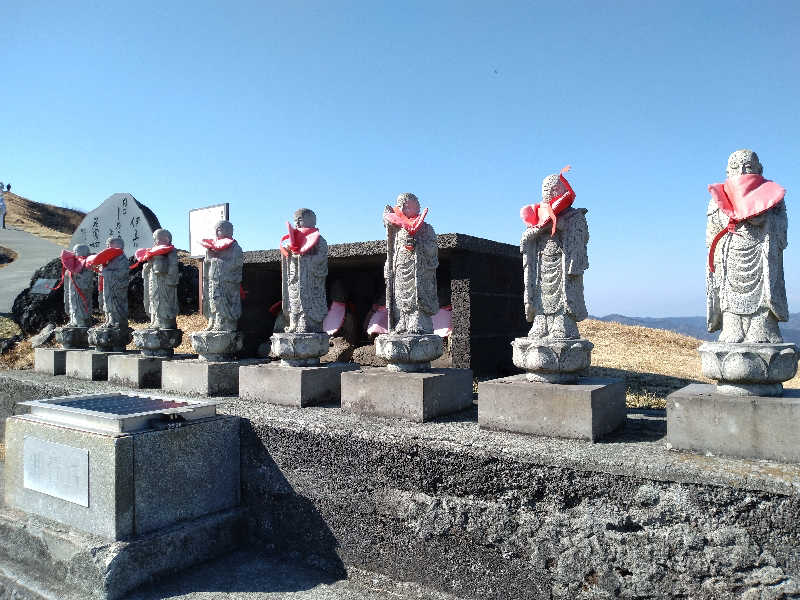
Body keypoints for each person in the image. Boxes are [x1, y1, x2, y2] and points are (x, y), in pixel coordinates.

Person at [706, 149, 788, 343]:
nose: (742, 172)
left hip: (761, 253)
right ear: (728, 171)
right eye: (736, 168)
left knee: (764, 293)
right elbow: (712, 231)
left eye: (748, 167)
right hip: (730, 254)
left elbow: (782, 223)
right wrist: (729, 215)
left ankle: (764, 328)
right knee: (729, 294)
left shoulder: (772, 194)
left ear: (759, 170)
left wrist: (765, 217)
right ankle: (731, 325)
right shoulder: (719, 196)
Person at [520, 168, 589, 340]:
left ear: (562, 190)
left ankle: (562, 322)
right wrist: (537, 230)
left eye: (553, 189)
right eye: (545, 189)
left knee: (563, 292)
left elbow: (580, 236)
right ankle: (540, 321)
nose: (548, 192)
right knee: (539, 290)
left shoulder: (574, 216)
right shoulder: (538, 214)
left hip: (562, 261)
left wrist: (561, 225)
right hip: (541, 261)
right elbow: (526, 239)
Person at [382, 193, 438, 335]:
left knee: (417, 291)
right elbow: (392, 247)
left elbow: (432, 247)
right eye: (400, 206)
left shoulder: (426, 228)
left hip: (419, 267)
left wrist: (418, 245)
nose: (402, 208)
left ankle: (418, 320)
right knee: (400, 292)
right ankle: (403, 319)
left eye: (406, 206)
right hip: (401, 265)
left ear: (416, 206)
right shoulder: (398, 228)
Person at [280, 208, 328, 332]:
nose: (297, 223)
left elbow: (321, 257)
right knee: (293, 299)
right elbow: (286, 254)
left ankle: (306, 322)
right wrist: (288, 252)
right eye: (295, 220)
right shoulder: (293, 238)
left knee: (308, 300)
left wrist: (305, 259)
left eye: (300, 219)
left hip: (310, 278)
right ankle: (293, 322)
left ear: (312, 220)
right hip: (294, 276)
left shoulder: (319, 240)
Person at [201, 220, 243, 331]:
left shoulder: (235, 247)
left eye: (219, 229)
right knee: (212, 300)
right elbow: (207, 263)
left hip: (227, 281)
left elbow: (235, 264)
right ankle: (212, 320)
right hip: (213, 279)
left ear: (229, 231)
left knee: (221, 300)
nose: (216, 232)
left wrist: (216, 260)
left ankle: (224, 323)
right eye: (216, 230)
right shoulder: (213, 246)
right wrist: (208, 258)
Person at [142, 229, 179, 329]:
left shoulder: (171, 251)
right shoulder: (153, 252)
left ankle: (165, 321)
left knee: (163, 300)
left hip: (164, 280)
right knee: (153, 298)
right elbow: (149, 266)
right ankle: (155, 319)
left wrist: (170, 278)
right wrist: (148, 266)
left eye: (158, 239)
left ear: (167, 239)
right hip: (154, 279)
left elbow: (174, 266)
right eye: (155, 239)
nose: (156, 241)